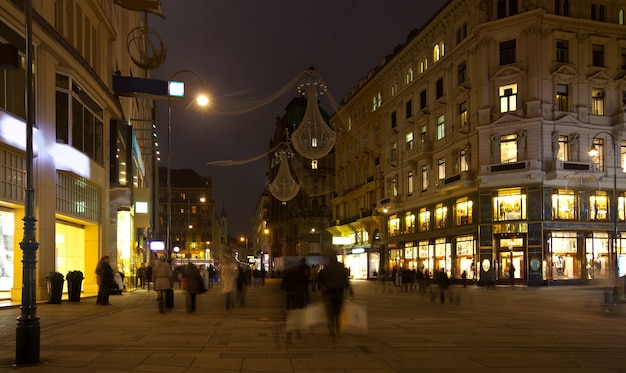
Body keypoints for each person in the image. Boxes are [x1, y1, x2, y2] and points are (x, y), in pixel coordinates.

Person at [318, 256, 352, 339]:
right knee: (338, 311)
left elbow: (321, 279)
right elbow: (346, 280)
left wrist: (321, 287)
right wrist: (350, 290)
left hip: (329, 292)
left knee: (330, 312)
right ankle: (337, 324)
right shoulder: (341, 269)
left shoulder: (327, 269)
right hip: (339, 292)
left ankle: (331, 328)